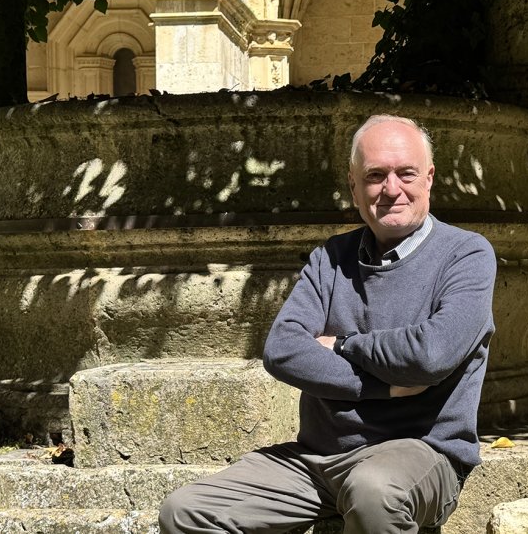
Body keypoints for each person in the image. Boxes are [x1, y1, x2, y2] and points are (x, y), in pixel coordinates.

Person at [159, 114, 497, 534]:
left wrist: (341, 344)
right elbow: (283, 350)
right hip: (316, 459)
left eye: (406, 173)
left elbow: (431, 355)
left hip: (419, 454)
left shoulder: (466, 254)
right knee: (186, 510)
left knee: (373, 490)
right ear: (354, 186)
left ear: (429, 178)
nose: (391, 189)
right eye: (375, 175)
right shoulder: (331, 257)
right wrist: (384, 386)